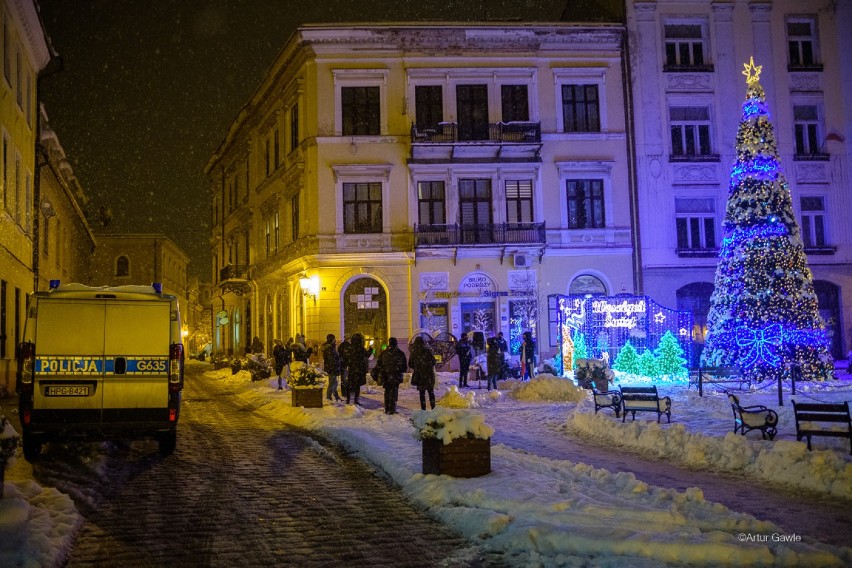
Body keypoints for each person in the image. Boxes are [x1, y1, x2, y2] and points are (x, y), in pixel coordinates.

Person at [377, 337, 408, 414]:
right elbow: (404, 367)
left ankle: (387, 408)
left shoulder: (384, 353)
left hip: (386, 376)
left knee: (387, 391)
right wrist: (397, 369)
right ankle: (392, 409)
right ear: (396, 343)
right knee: (394, 391)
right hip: (395, 376)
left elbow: (379, 364)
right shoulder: (400, 353)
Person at [409, 336, 437, 410]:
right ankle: (433, 407)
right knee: (431, 392)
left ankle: (423, 409)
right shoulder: (428, 351)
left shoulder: (414, 352)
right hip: (429, 375)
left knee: (422, 393)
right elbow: (434, 362)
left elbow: (410, 364)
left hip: (419, 375)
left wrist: (417, 367)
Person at [346, 333, 373, 405]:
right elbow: (367, 355)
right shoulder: (360, 348)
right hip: (359, 369)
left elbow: (346, 358)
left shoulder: (350, 348)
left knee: (350, 384)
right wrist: (371, 349)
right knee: (357, 385)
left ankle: (348, 399)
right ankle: (355, 400)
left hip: (352, 369)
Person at [321, 334, 343, 402]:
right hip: (332, 368)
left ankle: (335, 396)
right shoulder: (329, 348)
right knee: (332, 383)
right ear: (332, 339)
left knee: (334, 382)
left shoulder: (330, 347)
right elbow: (332, 360)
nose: (335, 340)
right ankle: (329, 397)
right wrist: (338, 360)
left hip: (332, 368)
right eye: (334, 339)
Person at [338, 335, 352, 401]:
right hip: (347, 364)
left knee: (343, 379)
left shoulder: (341, 345)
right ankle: (346, 392)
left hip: (343, 364)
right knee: (346, 379)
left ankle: (344, 392)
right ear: (348, 339)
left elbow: (340, 354)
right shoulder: (349, 346)